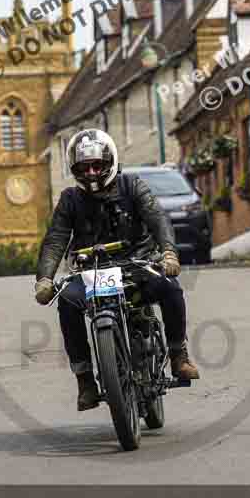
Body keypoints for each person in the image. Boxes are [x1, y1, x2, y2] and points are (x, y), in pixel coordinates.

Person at [34, 129, 200, 411]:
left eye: (97, 165)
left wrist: (169, 253)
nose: (92, 172)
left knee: (170, 288)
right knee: (66, 301)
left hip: (138, 264)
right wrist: (44, 278)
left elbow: (158, 219)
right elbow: (56, 240)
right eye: (84, 167)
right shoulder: (70, 200)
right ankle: (85, 379)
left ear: (110, 162)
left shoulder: (132, 186)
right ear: (75, 170)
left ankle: (178, 355)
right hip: (92, 271)